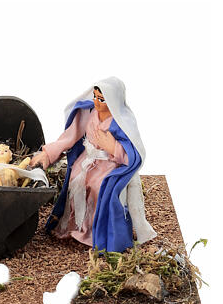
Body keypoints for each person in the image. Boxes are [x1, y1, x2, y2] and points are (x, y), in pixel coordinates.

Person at [30, 77, 155, 253]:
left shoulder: (122, 121)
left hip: (109, 163)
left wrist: (112, 147)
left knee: (98, 187)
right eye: (95, 96)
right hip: (87, 160)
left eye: (102, 99)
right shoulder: (89, 112)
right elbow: (71, 136)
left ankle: (94, 233)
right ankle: (74, 227)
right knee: (75, 181)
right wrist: (49, 153)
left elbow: (134, 153)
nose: (97, 102)